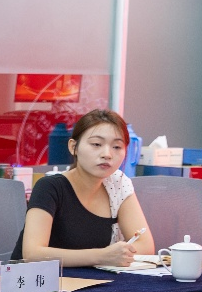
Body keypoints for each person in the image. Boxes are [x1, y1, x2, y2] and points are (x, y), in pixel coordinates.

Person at [12, 109, 153, 266]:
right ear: (73, 147)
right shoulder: (50, 187)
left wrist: (112, 255)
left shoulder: (118, 184)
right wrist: (102, 256)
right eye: (96, 144)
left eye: (117, 147)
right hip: (35, 279)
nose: (107, 154)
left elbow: (145, 247)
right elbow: (33, 254)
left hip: (92, 279)